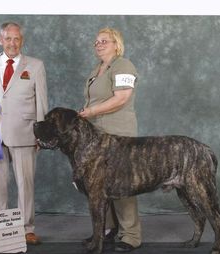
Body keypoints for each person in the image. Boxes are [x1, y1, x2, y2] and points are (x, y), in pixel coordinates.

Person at [0, 22, 48, 246]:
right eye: (8, 39)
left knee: (25, 184)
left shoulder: (35, 65)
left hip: (25, 132)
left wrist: (41, 133)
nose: (12, 43)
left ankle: (27, 230)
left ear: (21, 41)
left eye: (16, 39)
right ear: (0, 40)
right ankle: (2, 231)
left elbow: (42, 102)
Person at [79, 27, 141, 252]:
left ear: (116, 44)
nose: (99, 44)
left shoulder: (123, 65)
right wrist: (86, 112)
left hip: (119, 133)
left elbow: (121, 98)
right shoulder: (97, 69)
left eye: (104, 41)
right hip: (96, 135)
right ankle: (108, 230)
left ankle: (131, 235)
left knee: (123, 184)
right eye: (96, 41)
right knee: (100, 185)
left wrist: (91, 111)